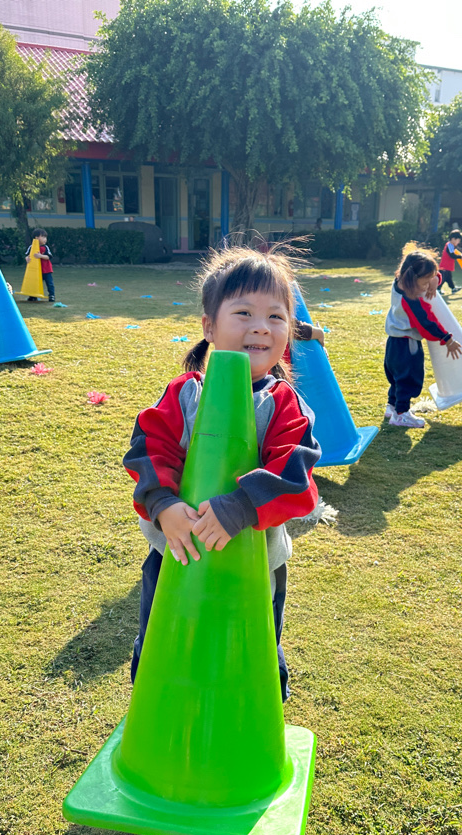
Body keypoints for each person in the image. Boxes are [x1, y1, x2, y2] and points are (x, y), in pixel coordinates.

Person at [124, 245, 322, 701]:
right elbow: (149, 448)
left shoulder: (284, 404)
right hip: (176, 552)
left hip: (253, 563)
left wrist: (241, 506)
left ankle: (255, 712)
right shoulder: (184, 394)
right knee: (163, 637)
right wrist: (163, 504)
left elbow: (296, 475)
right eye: (244, 312)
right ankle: (159, 709)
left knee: (252, 644)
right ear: (209, 327)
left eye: (276, 316)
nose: (261, 326)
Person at [384, 243, 462, 428]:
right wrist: (447, 338)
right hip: (407, 343)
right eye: (425, 282)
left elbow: (429, 277)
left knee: (397, 376)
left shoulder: (399, 283)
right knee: (408, 378)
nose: (428, 286)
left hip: (394, 341)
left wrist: (435, 280)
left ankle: (392, 406)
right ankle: (401, 414)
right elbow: (426, 322)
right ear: (413, 278)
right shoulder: (410, 300)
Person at [24, 229, 55, 302]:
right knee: (34, 283)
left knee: (49, 283)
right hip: (35, 270)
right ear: (36, 237)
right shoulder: (31, 247)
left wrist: (40, 256)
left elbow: (49, 257)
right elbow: (27, 255)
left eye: (45, 237)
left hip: (46, 270)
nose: (45, 239)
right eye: (43, 237)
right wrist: (27, 258)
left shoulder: (46, 247)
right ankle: (33, 295)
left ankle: (51, 295)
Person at [438, 230, 462, 295]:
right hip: (444, 266)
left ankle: (453, 288)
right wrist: (460, 257)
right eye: (458, 240)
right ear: (453, 239)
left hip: (447, 266)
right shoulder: (449, 245)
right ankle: (438, 290)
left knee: (449, 278)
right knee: (442, 279)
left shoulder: (451, 245)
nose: (458, 242)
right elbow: (452, 255)